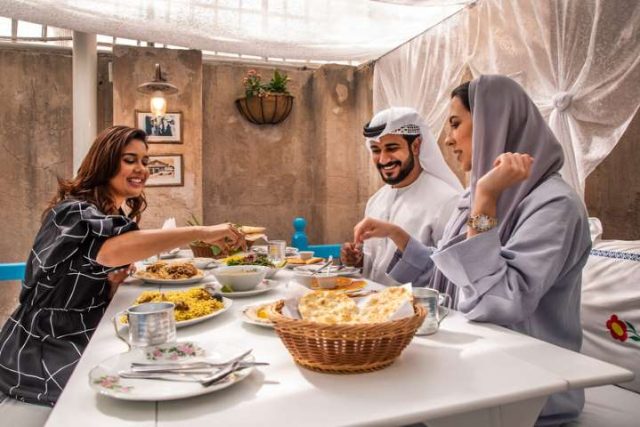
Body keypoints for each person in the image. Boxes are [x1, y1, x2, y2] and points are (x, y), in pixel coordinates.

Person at [354, 76, 590, 426]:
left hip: (528, 390)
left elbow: (498, 303)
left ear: (495, 122)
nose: (448, 139)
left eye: (455, 123)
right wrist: (398, 235)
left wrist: (485, 200)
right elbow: (446, 281)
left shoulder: (555, 205)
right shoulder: (476, 196)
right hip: (470, 368)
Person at [0, 125, 244, 410]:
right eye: (130, 160)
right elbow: (110, 251)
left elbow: (87, 272)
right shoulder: (73, 211)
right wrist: (202, 232)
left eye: (145, 161)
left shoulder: (111, 213)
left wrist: (111, 285)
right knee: (142, 393)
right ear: (105, 161)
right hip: (46, 345)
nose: (141, 168)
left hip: (87, 330)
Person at [341, 107, 461, 285]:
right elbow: (377, 268)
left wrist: (396, 235)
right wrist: (358, 261)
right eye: (376, 150)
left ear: (415, 146)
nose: (383, 159)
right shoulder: (376, 200)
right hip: (372, 307)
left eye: (391, 148)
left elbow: (451, 275)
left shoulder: (448, 200)